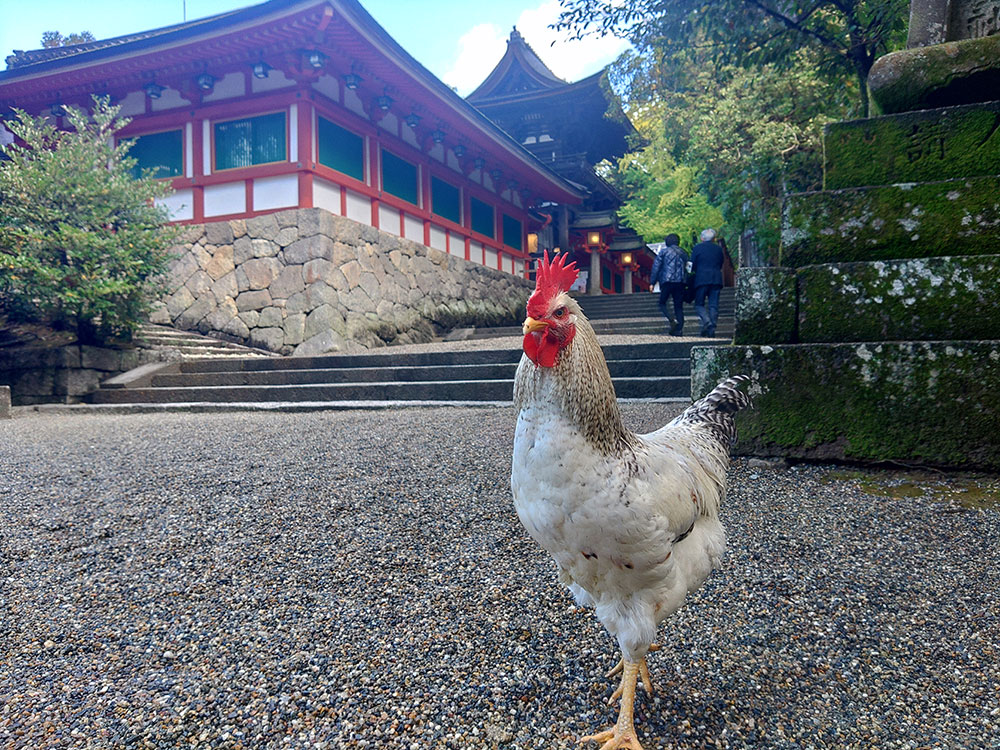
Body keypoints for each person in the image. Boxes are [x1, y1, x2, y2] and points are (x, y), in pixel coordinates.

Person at [649, 233, 688, 336]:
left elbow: (656, 267)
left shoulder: (663, 252)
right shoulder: (683, 253)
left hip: (667, 281)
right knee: (678, 306)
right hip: (680, 282)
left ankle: (671, 319)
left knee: (662, 303)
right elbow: (688, 268)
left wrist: (652, 282)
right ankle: (679, 329)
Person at [690, 228, 725, 337]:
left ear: (702, 238)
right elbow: (721, 262)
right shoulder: (718, 249)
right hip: (716, 278)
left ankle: (707, 321)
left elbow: (693, 264)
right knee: (713, 305)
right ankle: (712, 328)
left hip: (701, 278)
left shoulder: (697, 248)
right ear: (714, 238)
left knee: (699, 304)